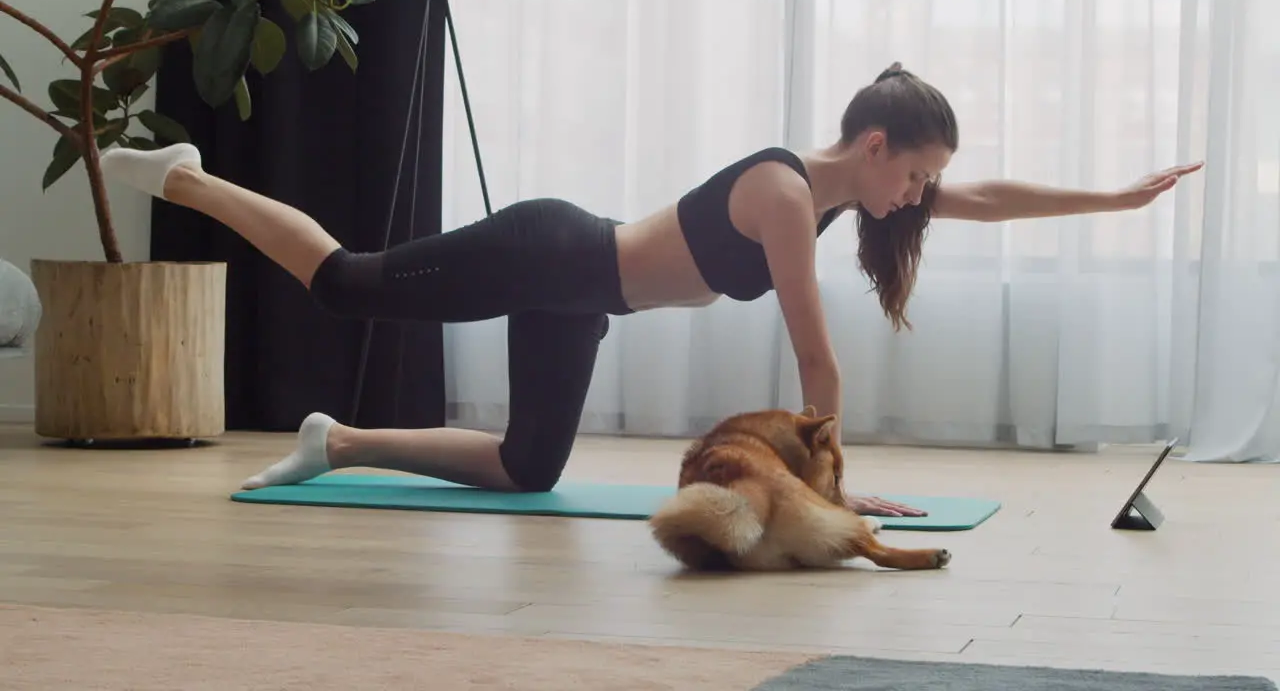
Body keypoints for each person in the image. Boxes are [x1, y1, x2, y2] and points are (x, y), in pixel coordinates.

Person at [99, 63, 1201, 518]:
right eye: (912, 173)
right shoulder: (780, 193)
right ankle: (190, 177)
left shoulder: (839, 195)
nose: (919, 195)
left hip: (582, 299)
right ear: (872, 147)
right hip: (552, 253)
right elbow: (815, 360)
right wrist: (828, 488)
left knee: (527, 471)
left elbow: (989, 197)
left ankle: (333, 440)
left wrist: (1115, 200)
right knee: (345, 284)